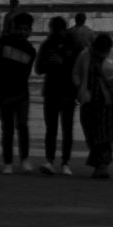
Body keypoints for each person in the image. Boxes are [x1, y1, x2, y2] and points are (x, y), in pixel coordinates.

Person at [0, 12, 37, 172]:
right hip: (4, 91)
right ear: (14, 28)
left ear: (30, 31)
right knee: (7, 128)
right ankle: (8, 162)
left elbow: (26, 73)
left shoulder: (30, 50)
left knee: (22, 126)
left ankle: (24, 159)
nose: (22, 32)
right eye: (19, 29)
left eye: (25, 29)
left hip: (21, 93)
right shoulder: (2, 43)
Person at [76, 31, 113, 179]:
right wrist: (80, 87)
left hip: (108, 101)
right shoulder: (85, 55)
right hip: (89, 101)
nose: (102, 55)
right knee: (92, 134)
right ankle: (99, 163)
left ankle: (102, 165)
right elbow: (76, 73)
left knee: (105, 135)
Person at [36, 14, 79, 174]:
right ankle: (51, 160)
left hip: (66, 90)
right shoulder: (48, 45)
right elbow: (39, 68)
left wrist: (63, 62)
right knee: (53, 128)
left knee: (65, 128)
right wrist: (50, 63)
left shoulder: (73, 45)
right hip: (53, 89)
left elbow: (77, 67)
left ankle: (64, 161)